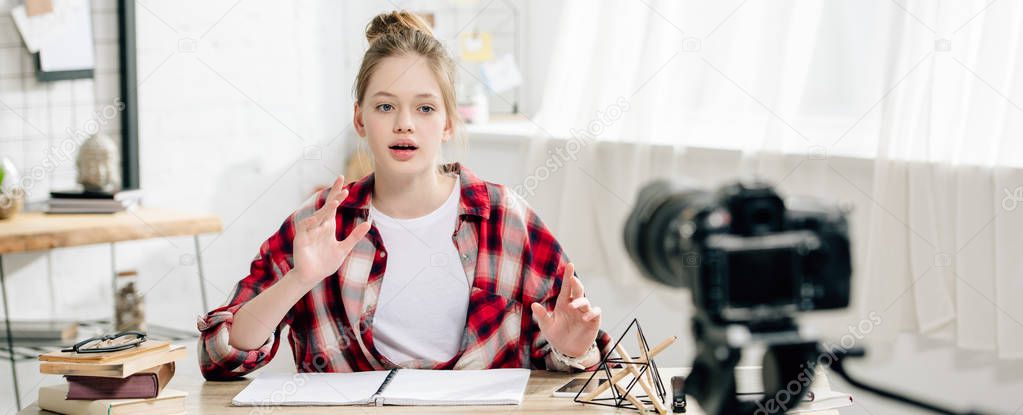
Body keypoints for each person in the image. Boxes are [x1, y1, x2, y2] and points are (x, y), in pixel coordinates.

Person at [197, 10, 611, 380]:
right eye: (385, 107)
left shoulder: (504, 217)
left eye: (425, 108)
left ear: (449, 122)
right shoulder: (323, 222)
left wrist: (572, 347)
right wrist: (300, 278)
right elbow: (218, 357)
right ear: (360, 119)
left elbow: (574, 355)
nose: (405, 124)